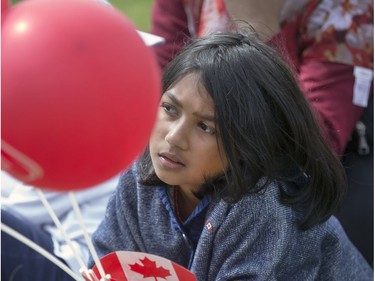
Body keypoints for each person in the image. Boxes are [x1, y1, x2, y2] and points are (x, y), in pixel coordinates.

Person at [89, 31, 373, 280]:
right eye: (170, 109)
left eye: (205, 126)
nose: (174, 136)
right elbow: (104, 263)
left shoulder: (263, 206)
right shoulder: (141, 177)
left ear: (248, 142)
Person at [149, 0, 374, 266]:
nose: (173, 135)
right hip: (200, 167)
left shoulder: (346, 12)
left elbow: (311, 148)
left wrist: (257, 30)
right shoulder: (141, 181)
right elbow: (154, 86)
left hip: (290, 181)